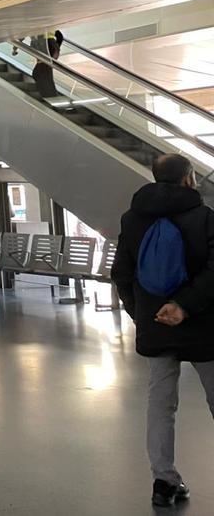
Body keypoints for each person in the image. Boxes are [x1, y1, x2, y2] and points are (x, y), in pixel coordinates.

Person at [111, 153, 214, 507]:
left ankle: (164, 482)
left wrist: (142, 315)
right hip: (203, 325)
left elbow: (122, 274)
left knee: (160, 404)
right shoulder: (205, 217)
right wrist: (184, 306)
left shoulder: (132, 218)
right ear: (189, 178)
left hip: (155, 325)